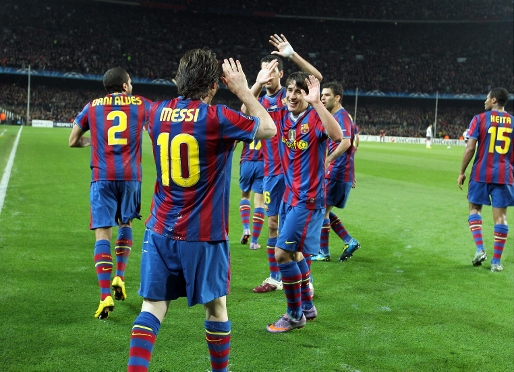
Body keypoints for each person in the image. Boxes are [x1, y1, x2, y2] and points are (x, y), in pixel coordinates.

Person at [126, 50, 276, 372]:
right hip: (203, 234)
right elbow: (267, 129)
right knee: (216, 307)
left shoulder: (156, 112)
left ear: (179, 80)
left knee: (152, 307)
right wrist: (244, 89)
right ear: (212, 86)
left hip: (160, 228)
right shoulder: (218, 117)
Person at [261, 70, 342, 333]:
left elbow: (338, 136)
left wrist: (317, 102)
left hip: (307, 200)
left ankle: (295, 315)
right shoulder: (282, 115)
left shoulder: (315, 119)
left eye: (299, 91)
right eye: (290, 90)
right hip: (289, 197)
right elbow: (246, 109)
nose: (293, 95)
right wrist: (259, 83)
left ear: (307, 94)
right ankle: (307, 306)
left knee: (282, 254)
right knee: (294, 253)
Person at [243, 34, 323, 293]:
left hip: (295, 176)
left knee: (295, 234)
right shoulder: (261, 102)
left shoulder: (288, 98)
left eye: (273, 71)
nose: (270, 75)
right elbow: (244, 112)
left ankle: (306, 280)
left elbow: (316, 80)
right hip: (271, 174)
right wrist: (256, 82)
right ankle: (275, 278)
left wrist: (291, 54)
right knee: (273, 224)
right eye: (266, 71)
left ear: (281, 74)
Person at [69, 67, 152, 319]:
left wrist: (92, 142)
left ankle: (104, 295)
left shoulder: (92, 106)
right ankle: (120, 276)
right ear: (125, 86)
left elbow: (73, 140)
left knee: (102, 234)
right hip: (131, 177)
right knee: (125, 223)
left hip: (102, 176)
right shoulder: (140, 104)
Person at [457, 87, 513, 273]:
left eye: (487, 98)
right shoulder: (513, 122)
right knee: (501, 218)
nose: (485, 101)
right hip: (504, 175)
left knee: (474, 208)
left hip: (481, 174)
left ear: (495, 100)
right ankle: (496, 262)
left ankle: (480, 249)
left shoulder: (480, 119)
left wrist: (462, 171)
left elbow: (470, 148)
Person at [312, 81, 360, 262]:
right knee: (322, 208)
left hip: (336, 171)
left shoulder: (341, 116)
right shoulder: (337, 116)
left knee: (322, 209)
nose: (323, 98)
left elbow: (347, 142)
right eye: (322, 95)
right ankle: (350, 241)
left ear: (337, 98)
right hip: (340, 171)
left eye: (327, 95)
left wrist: (329, 159)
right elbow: (354, 145)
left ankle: (324, 252)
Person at [237, 139, 265, 250]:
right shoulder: (269, 124)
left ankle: (246, 228)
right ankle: (254, 242)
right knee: (259, 203)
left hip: (246, 162)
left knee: (245, 197)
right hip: (262, 164)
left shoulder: (249, 123)